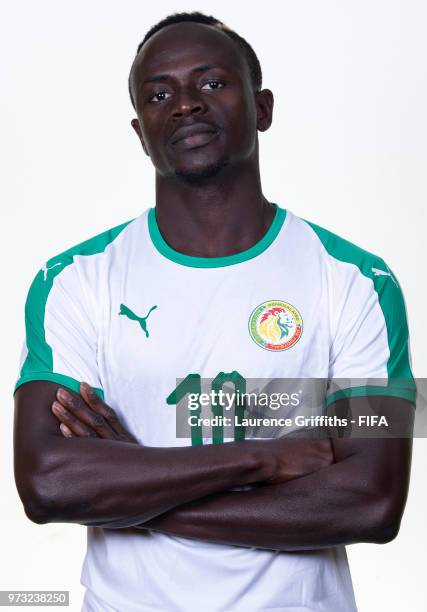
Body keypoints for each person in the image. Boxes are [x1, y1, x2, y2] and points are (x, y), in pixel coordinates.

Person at [13, 11, 415, 612]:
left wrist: (133, 488)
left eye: (211, 83)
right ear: (140, 130)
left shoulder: (357, 280)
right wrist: (264, 457)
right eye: (159, 93)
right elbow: (48, 485)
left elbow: (372, 500)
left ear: (263, 108)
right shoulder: (73, 281)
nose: (184, 105)